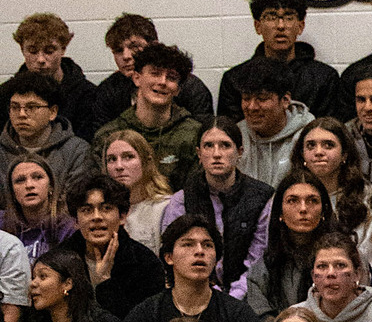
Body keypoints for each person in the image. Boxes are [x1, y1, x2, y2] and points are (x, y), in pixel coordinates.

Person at [123, 216, 265, 322]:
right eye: (188, 244)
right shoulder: (145, 315)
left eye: (207, 245)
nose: (199, 251)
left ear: (216, 259)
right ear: (169, 257)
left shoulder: (239, 314)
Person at [157, 121, 273, 302]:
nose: (216, 154)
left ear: (240, 152)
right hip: (195, 292)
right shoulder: (182, 199)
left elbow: (258, 258)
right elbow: (174, 254)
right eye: (208, 146)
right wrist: (211, 292)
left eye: (225, 145)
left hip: (250, 295)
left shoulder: (262, 197)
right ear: (199, 153)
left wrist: (234, 296)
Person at [93, 43, 204, 191]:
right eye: (155, 73)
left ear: (178, 89)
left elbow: (196, 194)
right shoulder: (108, 136)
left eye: (171, 78)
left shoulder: (194, 135)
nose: (162, 82)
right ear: (137, 78)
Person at [218, 0, 341, 122]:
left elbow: (329, 132)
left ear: (300, 26)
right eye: (271, 17)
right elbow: (229, 135)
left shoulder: (324, 78)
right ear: (257, 26)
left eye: (288, 18)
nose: (280, 26)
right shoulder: (234, 79)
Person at [64, 167, 167, 317]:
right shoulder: (60, 260)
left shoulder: (145, 264)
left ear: (122, 217)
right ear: (76, 221)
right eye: (87, 210)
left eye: (106, 208)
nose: (97, 217)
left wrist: (104, 284)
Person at [291, 116, 372, 271]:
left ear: (344, 154)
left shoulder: (367, 195)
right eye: (311, 146)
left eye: (328, 145)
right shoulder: (288, 196)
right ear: (302, 155)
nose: (318, 152)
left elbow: (369, 257)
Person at [94, 18, 215, 128]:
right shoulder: (107, 91)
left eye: (134, 47)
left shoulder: (190, 87)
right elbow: (100, 138)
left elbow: (204, 136)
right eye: (118, 51)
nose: (126, 56)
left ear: (154, 46)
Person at [245, 175, 336, 318]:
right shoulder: (263, 268)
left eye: (312, 201)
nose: (303, 209)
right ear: (279, 212)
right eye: (293, 201)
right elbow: (261, 321)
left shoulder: (346, 260)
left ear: (324, 210)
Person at [11, 11, 107, 141]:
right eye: (33, 51)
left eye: (49, 51)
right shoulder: (7, 94)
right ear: (22, 50)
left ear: (63, 49)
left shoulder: (87, 94)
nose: (41, 59)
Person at [0, 72, 92, 196]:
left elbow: (76, 201)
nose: (21, 114)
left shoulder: (76, 151)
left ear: (52, 112)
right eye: (15, 107)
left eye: (31, 107)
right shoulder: (1, 152)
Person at [238, 65, 314, 192]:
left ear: (285, 100)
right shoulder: (236, 135)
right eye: (246, 98)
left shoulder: (309, 136)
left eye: (261, 99)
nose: (252, 107)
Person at [102, 128, 173, 255]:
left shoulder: (165, 207)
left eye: (128, 157)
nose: (119, 166)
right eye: (112, 159)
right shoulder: (100, 211)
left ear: (146, 161)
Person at [5, 155, 73, 266]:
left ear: (51, 186)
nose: (29, 185)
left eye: (37, 177)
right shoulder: (2, 227)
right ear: (12, 192)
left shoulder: (68, 229)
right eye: (20, 180)